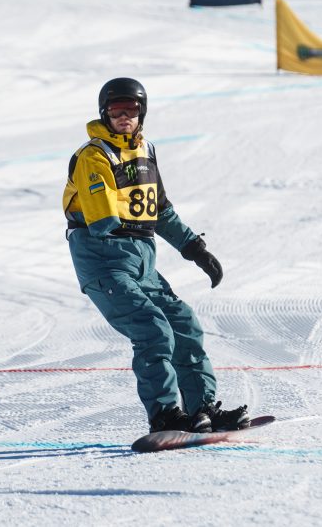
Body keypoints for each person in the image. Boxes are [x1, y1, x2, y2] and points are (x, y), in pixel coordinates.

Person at [63, 78, 248, 434]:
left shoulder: (145, 151)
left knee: (184, 324)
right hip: (103, 258)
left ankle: (201, 410)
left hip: (141, 258)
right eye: (116, 110)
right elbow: (103, 221)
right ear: (105, 113)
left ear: (141, 112)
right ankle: (164, 413)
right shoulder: (94, 155)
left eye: (130, 109)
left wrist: (194, 248)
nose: (123, 116)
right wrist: (122, 214)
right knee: (152, 329)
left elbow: (158, 209)